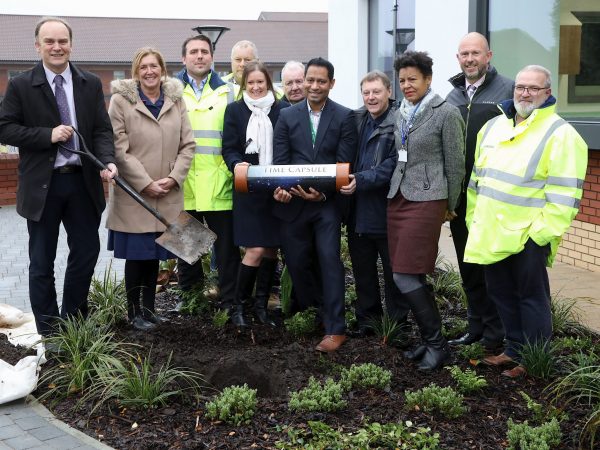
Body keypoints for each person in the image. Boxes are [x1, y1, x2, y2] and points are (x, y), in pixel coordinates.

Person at [465, 65, 588, 378]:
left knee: (531, 299)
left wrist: (540, 235)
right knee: (501, 293)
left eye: (534, 88)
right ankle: (514, 349)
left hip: (528, 236)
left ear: (547, 92)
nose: (525, 93)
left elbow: (565, 196)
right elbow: (477, 181)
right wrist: (473, 220)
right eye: (521, 87)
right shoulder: (492, 127)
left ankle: (534, 360)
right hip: (491, 232)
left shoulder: (561, 135)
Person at [0, 17, 117, 337]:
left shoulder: (89, 83)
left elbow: (101, 130)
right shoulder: (22, 85)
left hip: (82, 183)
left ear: (71, 44)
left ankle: (73, 321)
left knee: (87, 253)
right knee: (41, 262)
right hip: (43, 187)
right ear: (37, 46)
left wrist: (107, 160)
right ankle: (50, 333)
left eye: (62, 41)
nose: (56, 47)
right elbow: (5, 127)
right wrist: (46, 135)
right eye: (49, 41)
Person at [273, 57, 358, 352]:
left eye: (322, 81)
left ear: (331, 84)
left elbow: (343, 163)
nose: (314, 86)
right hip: (294, 203)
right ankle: (316, 311)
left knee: (329, 260)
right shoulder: (287, 116)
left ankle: (336, 328)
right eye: (310, 80)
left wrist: (321, 194)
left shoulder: (345, 117)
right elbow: (281, 162)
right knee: (296, 263)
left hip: (326, 204)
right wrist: (282, 190)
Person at [106, 47, 194, 331]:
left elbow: (187, 145)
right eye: (143, 67)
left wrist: (174, 177)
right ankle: (134, 314)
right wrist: (146, 183)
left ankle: (149, 310)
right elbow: (119, 149)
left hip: (167, 192)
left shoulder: (176, 100)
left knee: (155, 255)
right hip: (135, 193)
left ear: (162, 69)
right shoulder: (120, 102)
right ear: (136, 71)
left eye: (154, 66)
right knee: (137, 256)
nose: (149, 71)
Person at [388, 51, 465, 371]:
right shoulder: (399, 113)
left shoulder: (446, 112)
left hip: (429, 200)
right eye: (402, 80)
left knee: (404, 275)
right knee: (411, 274)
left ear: (428, 79)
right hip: (398, 198)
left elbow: (456, 164)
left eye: (413, 79)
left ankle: (437, 345)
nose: (406, 85)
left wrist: (449, 206)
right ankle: (428, 339)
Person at [446, 32, 514, 351]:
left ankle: (497, 331)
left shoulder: (509, 90)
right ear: (458, 59)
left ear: (489, 56)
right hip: (461, 198)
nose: (469, 59)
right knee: (467, 264)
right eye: (464, 54)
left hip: (493, 197)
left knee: (493, 269)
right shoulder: (452, 96)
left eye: (476, 53)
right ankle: (476, 327)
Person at [340, 70, 408, 336]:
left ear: (389, 92)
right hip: (358, 212)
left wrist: (363, 179)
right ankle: (368, 322)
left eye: (376, 92)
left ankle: (397, 327)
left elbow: (397, 163)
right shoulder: (355, 119)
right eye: (366, 92)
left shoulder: (400, 120)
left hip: (387, 210)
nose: (371, 97)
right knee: (363, 271)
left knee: (395, 275)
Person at [175, 35, 240, 314]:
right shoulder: (171, 90)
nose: (199, 56)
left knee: (226, 252)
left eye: (204, 51)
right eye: (193, 52)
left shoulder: (228, 91)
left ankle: (229, 302)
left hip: (219, 182)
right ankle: (191, 303)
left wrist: (229, 173)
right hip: (184, 182)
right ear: (184, 58)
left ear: (212, 57)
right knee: (187, 251)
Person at [222, 61, 289, 327]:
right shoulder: (235, 111)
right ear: (244, 85)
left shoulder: (283, 110)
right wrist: (236, 163)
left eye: (261, 82)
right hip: (248, 188)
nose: (256, 87)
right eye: (251, 83)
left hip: (277, 189)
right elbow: (228, 149)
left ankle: (261, 307)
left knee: (271, 249)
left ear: (269, 83)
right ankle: (239, 307)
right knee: (255, 249)